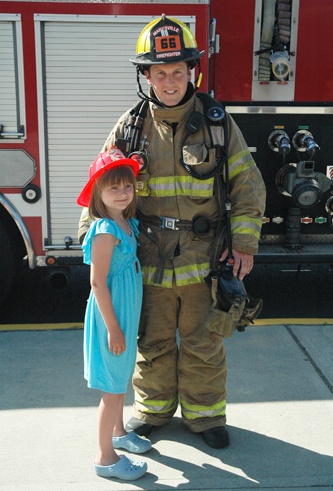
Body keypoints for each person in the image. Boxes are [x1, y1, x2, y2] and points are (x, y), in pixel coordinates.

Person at [79, 14, 266, 449]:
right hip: (150, 260)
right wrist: (96, 250)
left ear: (192, 73)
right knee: (154, 340)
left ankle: (205, 417)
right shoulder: (129, 128)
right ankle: (155, 410)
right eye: (159, 72)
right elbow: (99, 186)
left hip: (206, 258)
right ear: (146, 75)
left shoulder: (219, 123)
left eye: (177, 71)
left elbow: (247, 183)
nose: (168, 81)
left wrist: (244, 242)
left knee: (204, 342)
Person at [77, 149, 151, 480]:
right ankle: (106, 457)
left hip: (123, 315)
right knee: (113, 388)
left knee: (120, 380)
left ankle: (120, 433)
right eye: (113, 188)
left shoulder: (125, 221)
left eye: (127, 186)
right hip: (111, 319)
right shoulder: (106, 229)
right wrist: (114, 329)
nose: (122, 193)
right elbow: (97, 282)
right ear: (98, 193)